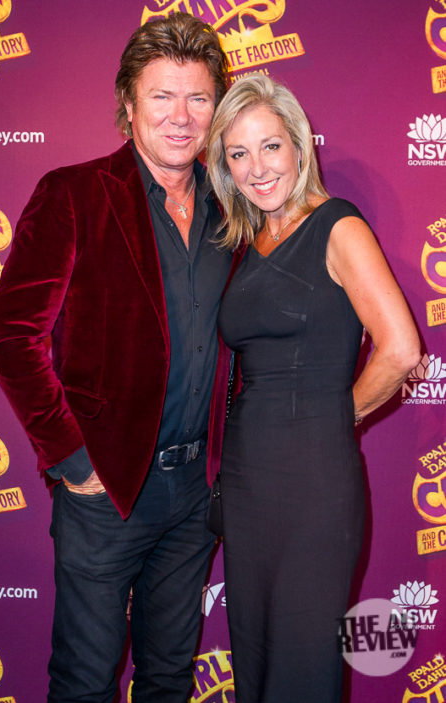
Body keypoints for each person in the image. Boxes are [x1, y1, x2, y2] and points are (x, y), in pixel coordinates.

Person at [0, 13, 231, 703]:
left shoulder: (233, 209)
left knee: (168, 678)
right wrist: (72, 460)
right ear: (128, 102)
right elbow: (9, 335)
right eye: (162, 96)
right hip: (107, 490)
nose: (181, 116)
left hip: (196, 493)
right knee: (86, 682)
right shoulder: (75, 193)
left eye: (198, 97)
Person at [206, 74, 421, 703]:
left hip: (314, 482)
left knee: (302, 667)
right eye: (238, 154)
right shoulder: (247, 241)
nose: (257, 168)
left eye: (270, 146)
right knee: (254, 657)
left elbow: (402, 349)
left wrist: (333, 418)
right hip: (246, 482)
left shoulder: (338, 227)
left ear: (299, 146)